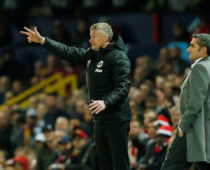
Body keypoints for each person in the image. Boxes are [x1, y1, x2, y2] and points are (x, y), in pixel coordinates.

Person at [20, 22, 132, 170]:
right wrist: (43, 41)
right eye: (90, 36)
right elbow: (68, 52)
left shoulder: (119, 57)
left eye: (94, 37)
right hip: (99, 120)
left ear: (105, 38)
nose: (90, 40)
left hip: (117, 119)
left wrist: (106, 102)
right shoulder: (92, 54)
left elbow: (124, 86)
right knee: (104, 165)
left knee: (120, 164)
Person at [161, 33, 210, 170]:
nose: (188, 49)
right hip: (206, 128)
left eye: (192, 46)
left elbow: (195, 104)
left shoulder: (200, 68)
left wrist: (182, 126)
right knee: (207, 166)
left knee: (171, 166)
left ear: (203, 50)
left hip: (193, 127)